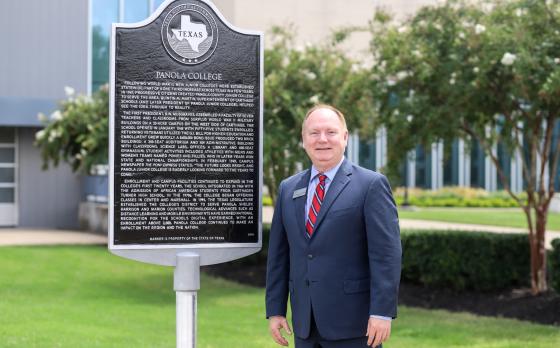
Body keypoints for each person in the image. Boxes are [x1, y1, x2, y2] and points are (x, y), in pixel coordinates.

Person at [265, 104, 402, 347]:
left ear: (345, 137)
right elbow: (279, 255)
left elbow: (386, 255)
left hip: (355, 324)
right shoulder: (288, 188)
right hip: (305, 324)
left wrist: (382, 312)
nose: (322, 140)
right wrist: (275, 309)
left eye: (331, 132)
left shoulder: (371, 185)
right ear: (303, 140)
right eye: (314, 133)